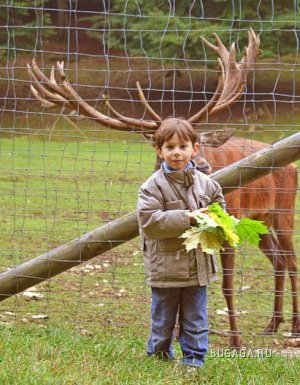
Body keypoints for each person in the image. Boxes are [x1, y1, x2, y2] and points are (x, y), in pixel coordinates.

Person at [137, 117, 226, 369]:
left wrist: (219, 219)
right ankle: (159, 354)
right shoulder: (151, 187)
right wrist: (190, 217)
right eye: (170, 147)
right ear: (159, 150)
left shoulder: (207, 183)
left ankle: (194, 360)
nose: (177, 153)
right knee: (163, 318)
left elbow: (218, 204)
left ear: (194, 149)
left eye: (183, 146)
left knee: (196, 318)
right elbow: (151, 222)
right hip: (165, 268)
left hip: (198, 267)